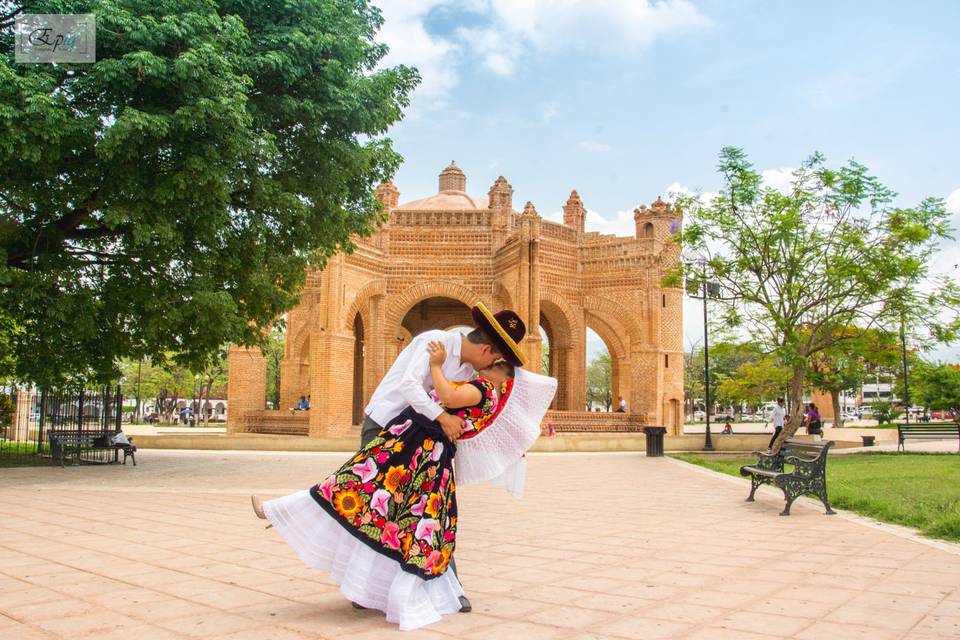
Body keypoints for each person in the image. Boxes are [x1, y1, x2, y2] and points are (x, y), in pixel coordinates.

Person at [250, 304, 557, 631]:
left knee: (428, 514)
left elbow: (466, 413)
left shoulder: (471, 374)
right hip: (387, 427)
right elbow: (413, 387)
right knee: (367, 502)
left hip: (423, 444)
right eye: (495, 359)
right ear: (486, 349)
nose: (493, 366)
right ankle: (355, 576)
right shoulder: (435, 341)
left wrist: (505, 444)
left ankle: (447, 585)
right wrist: (442, 417)